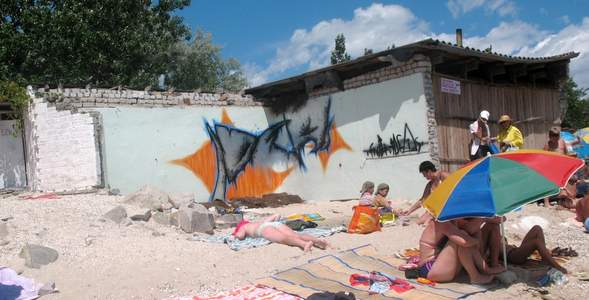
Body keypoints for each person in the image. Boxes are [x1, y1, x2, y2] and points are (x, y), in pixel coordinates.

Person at [416, 218, 498, 284]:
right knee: (462, 238)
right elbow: (464, 241)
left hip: (440, 266)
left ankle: (485, 269)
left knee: (467, 236)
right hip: (430, 268)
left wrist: (482, 220)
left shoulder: (452, 220)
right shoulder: (441, 221)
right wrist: (476, 240)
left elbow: (501, 219)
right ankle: (475, 276)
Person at [232, 214, 329, 252]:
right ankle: (318, 241)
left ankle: (304, 244)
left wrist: (235, 235)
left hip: (263, 229)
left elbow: (240, 236)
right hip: (275, 224)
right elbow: (276, 215)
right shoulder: (256, 223)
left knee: (283, 238)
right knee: (296, 235)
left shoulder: (243, 227)